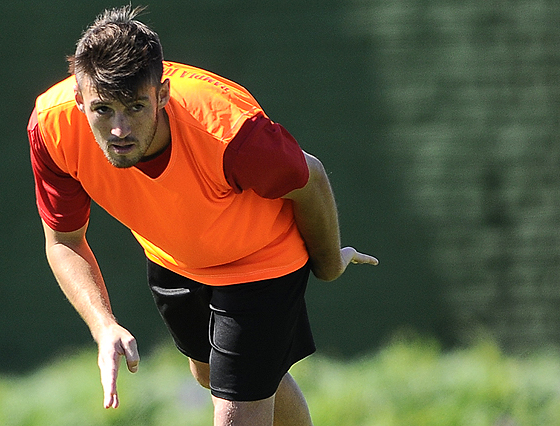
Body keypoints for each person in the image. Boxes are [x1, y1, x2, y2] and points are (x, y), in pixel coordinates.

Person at [27, 5, 378, 425]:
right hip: (173, 259)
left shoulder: (233, 136)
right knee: (213, 373)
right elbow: (64, 242)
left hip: (260, 264)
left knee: (236, 407)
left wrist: (328, 264)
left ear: (162, 94)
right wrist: (103, 325)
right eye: (103, 110)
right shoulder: (52, 127)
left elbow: (312, 178)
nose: (119, 129)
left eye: (136, 108)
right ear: (80, 99)